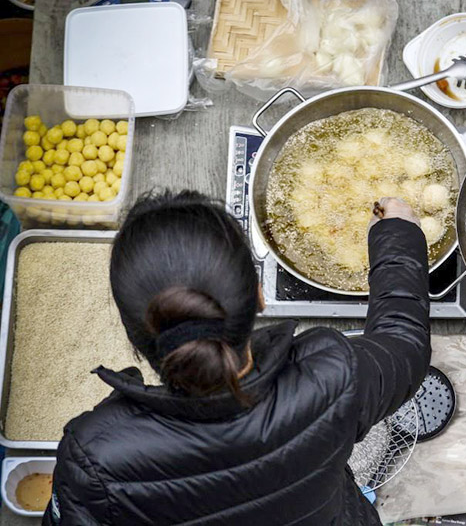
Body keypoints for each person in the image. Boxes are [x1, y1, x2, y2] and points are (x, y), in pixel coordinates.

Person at [43, 191, 430, 525]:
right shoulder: (332, 377)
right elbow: (404, 345)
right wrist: (398, 235)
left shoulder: (95, 453)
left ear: (133, 334)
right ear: (261, 297)